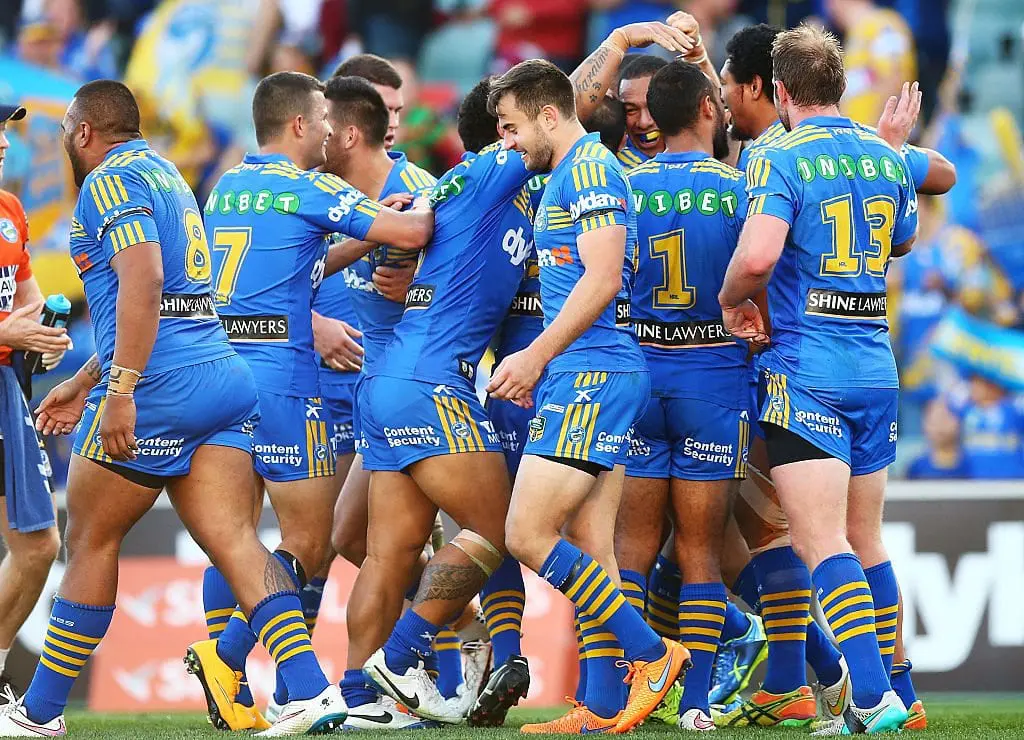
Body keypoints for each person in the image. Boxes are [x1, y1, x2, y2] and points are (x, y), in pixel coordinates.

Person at [0, 80, 346, 738]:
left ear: (84, 133)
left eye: (66, 131)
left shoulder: (108, 181)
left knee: (92, 540)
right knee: (238, 541)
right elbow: (178, 302)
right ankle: (311, 691)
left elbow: (147, 280)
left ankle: (40, 713)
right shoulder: (168, 176)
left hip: (156, 386)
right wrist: (88, 379)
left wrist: (120, 388)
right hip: (220, 375)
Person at [718, 22, 951, 730]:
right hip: (875, 366)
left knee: (819, 541)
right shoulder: (885, 155)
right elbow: (902, 239)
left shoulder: (778, 155)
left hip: (807, 369)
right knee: (866, 537)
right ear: (840, 86)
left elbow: (759, 257)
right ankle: (903, 692)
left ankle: (871, 697)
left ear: (781, 90)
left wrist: (730, 299)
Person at [188, 71, 433, 733]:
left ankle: (241, 681)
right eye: (323, 118)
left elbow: (303, 262)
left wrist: (369, 238)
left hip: (222, 370)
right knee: (309, 541)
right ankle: (235, 661)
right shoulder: (310, 186)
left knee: (237, 539)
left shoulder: (226, 186)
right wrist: (449, 198)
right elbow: (415, 234)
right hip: (283, 380)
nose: (330, 130)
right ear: (299, 124)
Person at [486, 59, 688, 735]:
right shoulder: (570, 170)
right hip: (588, 374)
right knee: (590, 547)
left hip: (592, 375)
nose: (508, 141)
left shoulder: (592, 170)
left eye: (511, 126)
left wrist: (535, 355)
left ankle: (652, 654)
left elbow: (602, 278)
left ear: (548, 116)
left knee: (525, 534)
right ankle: (601, 704)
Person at [343, 74, 537, 727]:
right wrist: (619, 44)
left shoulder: (458, 191)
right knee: (502, 528)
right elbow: (562, 102)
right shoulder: (489, 175)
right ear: (507, 133)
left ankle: (359, 698)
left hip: (391, 377)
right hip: (433, 381)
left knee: (389, 553)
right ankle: (402, 658)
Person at [619, 59, 750, 732]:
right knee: (701, 553)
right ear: (707, 109)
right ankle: (695, 703)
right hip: (714, 380)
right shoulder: (740, 190)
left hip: (638, 380)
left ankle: (626, 694)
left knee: (630, 553)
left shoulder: (624, 189)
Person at [0, 103, 71, 705]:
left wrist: (45, 334)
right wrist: (10, 332)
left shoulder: (10, 210)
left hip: (6, 389)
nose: (4, 143)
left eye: (4, 130)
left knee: (39, 546)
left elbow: (27, 296)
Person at [824, 0, 916, 126]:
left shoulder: (883, 25)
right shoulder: (856, 34)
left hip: (876, 133)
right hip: (860, 133)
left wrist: (879, 133)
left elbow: (895, 79)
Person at [905, 397, 973, 479]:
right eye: (933, 421)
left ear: (958, 422)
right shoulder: (917, 467)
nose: (939, 426)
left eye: (944, 419)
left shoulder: (972, 464)